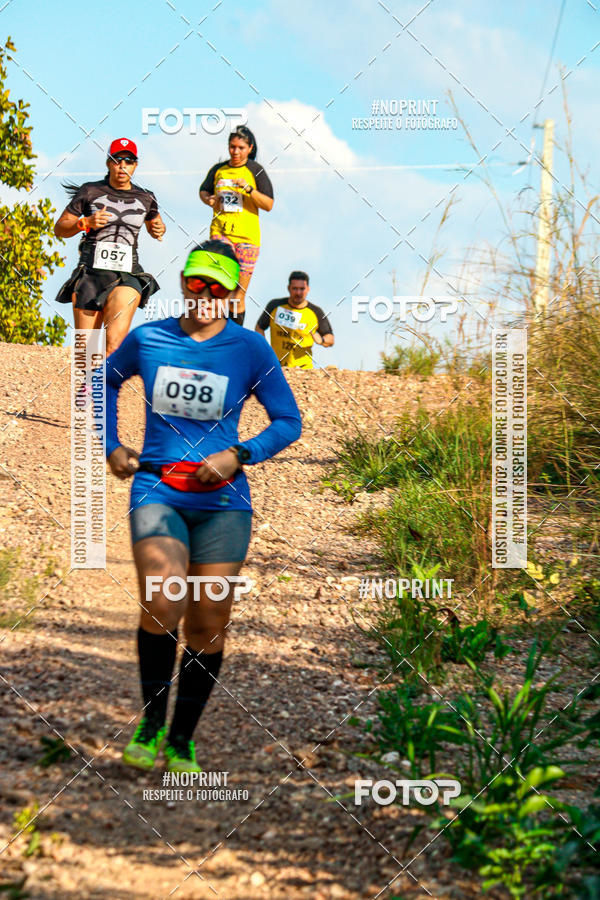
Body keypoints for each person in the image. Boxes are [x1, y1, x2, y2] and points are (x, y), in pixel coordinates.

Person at [105, 240, 302, 773]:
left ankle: (181, 738)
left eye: (218, 287)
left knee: (208, 622)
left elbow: (289, 421)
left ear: (234, 292)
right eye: (196, 283)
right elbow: (101, 382)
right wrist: (112, 445)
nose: (205, 295)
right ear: (183, 283)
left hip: (224, 504)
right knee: (165, 598)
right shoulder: (149, 339)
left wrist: (240, 454)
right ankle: (149, 723)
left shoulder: (250, 350)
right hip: (157, 490)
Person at [54, 138, 166, 354]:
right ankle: (87, 388)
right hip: (91, 274)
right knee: (86, 353)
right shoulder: (89, 191)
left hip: (127, 274)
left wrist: (159, 229)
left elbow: (156, 226)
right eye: (117, 160)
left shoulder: (146, 197)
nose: (122, 165)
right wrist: (85, 222)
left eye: (129, 161)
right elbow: (60, 228)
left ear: (136, 165)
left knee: (113, 344)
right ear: (109, 163)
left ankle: (109, 386)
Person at [199, 126, 273, 324]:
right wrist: (209, 200)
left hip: (247, 237)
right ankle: (215, 333)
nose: (236, 151)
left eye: (241, 147)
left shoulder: (255, 171)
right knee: (222, 286)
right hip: (221, 232)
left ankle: (235, 336)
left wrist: (248, 189)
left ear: (250, 148)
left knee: (238, 295)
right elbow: (203, 191)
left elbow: (269, 204)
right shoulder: (219, 169)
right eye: (232, 147)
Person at [255, 271, 334, 369]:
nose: (298, 293)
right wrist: (265, 349)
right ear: (288, 288)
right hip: (276, 366)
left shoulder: (315, 312)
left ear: (308, 289)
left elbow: (330, 338)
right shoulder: (275, 306)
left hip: (303, 369)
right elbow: (259, 327)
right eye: (295, 289)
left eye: (302, 289)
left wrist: (322, 340)